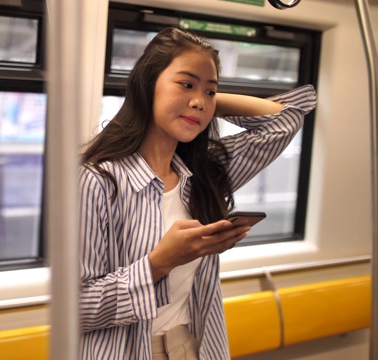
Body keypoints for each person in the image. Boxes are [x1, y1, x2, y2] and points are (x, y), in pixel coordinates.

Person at [78, 27, 316, 360]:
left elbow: (287, 120)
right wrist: (159, 263)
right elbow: (76, 307)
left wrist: (204, 104)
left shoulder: (204, 173)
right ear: (148, 84)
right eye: (186, 84)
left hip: (190, 345)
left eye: (210, 91)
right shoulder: (98, 181)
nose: (198, 100)